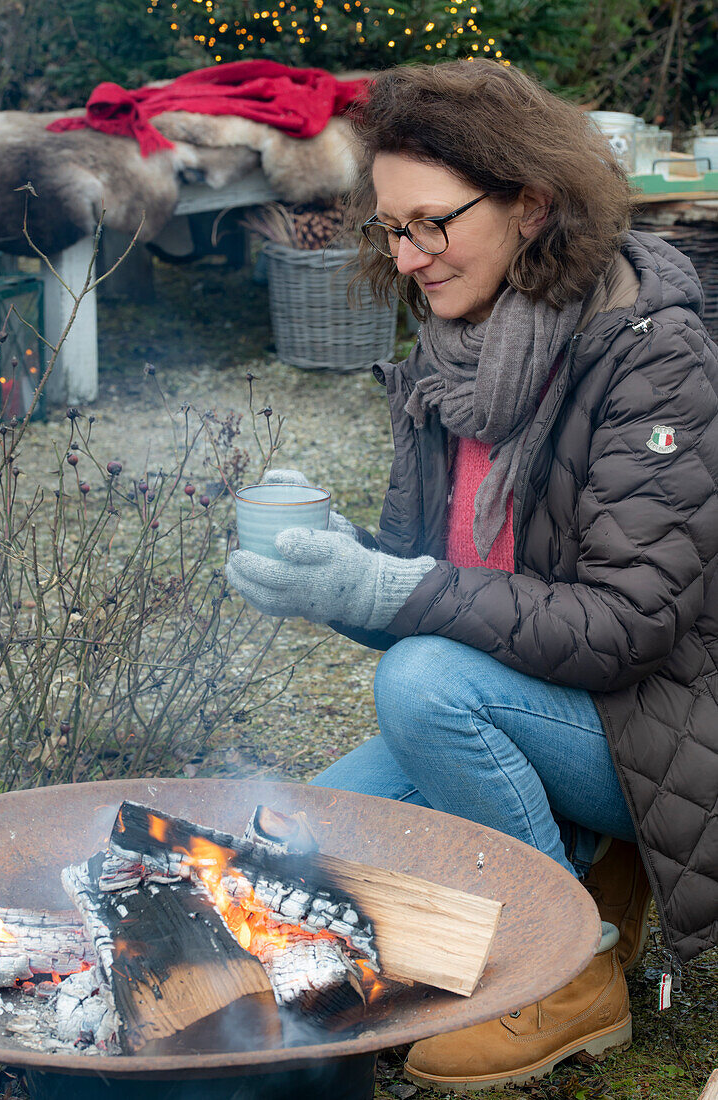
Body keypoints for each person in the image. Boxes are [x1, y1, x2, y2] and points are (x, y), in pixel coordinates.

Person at [226, 60, 718, 1092]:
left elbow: (631, 621)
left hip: (653, 724)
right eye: (389, 228)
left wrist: (389, 593)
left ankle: (571, 969)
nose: (406, 257)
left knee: (425, 683)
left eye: (430, 224)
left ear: (532, 204)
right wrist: (335, 571)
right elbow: (432, 584)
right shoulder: (452, 355)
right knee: (275, 854)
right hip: (506, 695)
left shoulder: (650, 352)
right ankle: (512, 897)